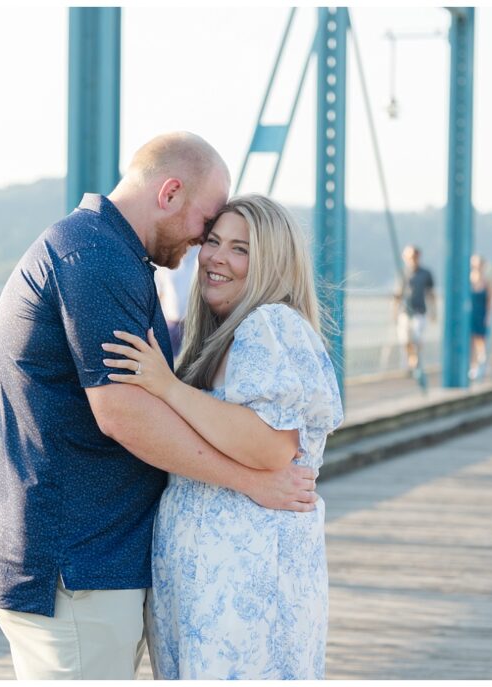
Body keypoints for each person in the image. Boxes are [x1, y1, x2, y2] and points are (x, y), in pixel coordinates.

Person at [0, 133, 319, 681]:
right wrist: (248, 481)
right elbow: (123, 414)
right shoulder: (96, 258)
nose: (203, 246)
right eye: (206, 227)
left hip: (91, 559)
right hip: (76, 565)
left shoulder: (107, 253)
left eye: (233, 244)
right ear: (170, 193)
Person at [102, 194, 344, 679]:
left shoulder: (268, 325)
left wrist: (167, 387)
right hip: (209, 579)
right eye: (213, 241)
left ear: (273, 263)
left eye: (241, 249)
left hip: (245, 580)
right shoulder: (225, 334)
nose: (215, 258)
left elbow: (271, 446)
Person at [392, 244, 436, 390]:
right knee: (405, 340)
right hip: (405, 312)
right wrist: (394, 312)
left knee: (416, 338)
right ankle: (411, 363)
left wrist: (434, 311)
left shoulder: (426, 273)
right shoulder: (403, 273)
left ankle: (415, 363)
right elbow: (397, 294)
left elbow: (431, 294)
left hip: (419, 311)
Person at [468, 254, 492, 381]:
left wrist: (488, 316)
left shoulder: (487, 282)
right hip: (471, 313)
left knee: (481, 340)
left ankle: (483, 363)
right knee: (471, 340)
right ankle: (473, 366)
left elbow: (489, 301)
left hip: (481, 313)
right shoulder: (469, 279)